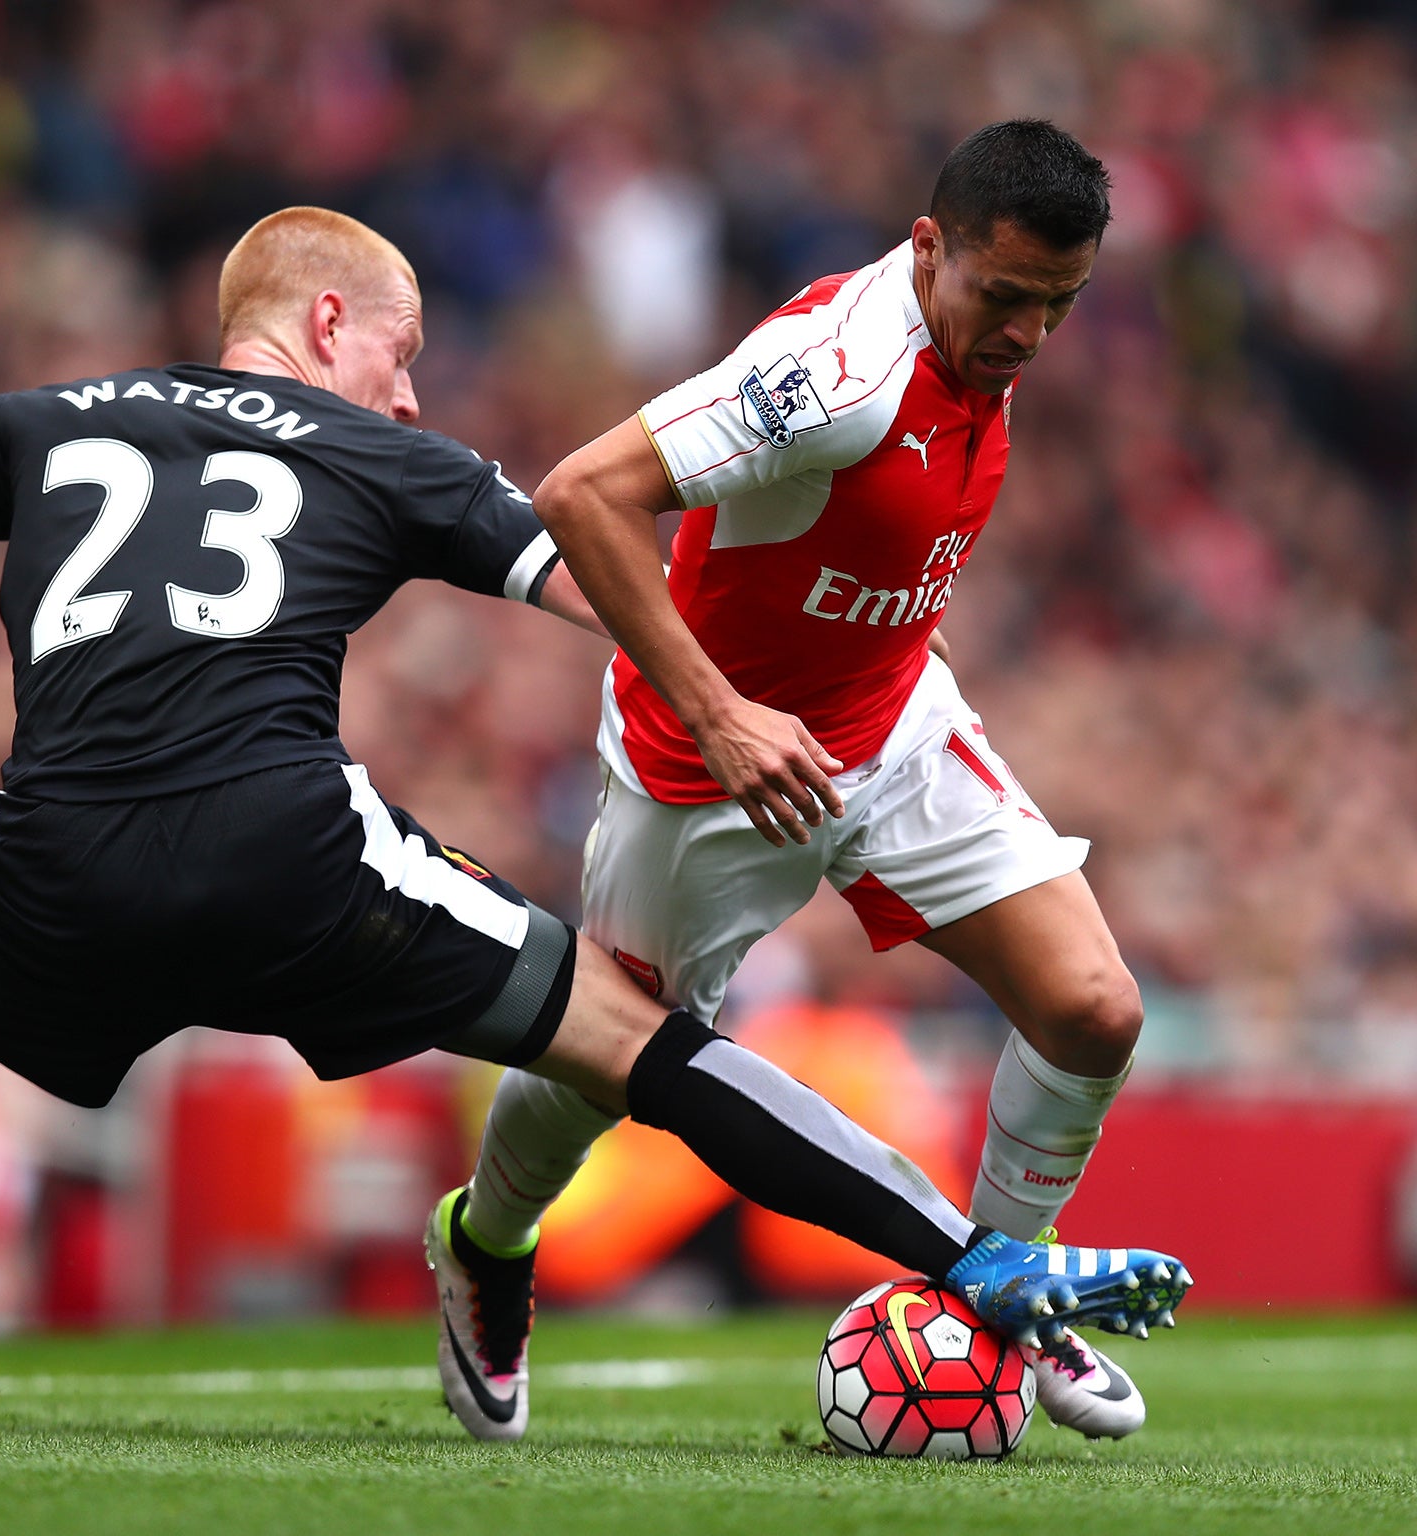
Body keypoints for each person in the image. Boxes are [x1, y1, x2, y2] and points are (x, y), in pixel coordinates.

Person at [0, 206, 1186, 1429]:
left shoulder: (46, 420)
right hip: (296, 859)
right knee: (630, 1035)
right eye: (410, 356)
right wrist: (732, 706)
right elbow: (603, 582)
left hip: (56, 862)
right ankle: (974, 1258)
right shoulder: (386, 458)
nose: (421, 397)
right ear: (332, 326)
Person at [431, 121, 1164, 1443]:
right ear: (930, 247)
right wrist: (718, 715)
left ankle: (995, 1292)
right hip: (707, 772)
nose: (1027, 337)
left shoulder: (987, 332)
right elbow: (582, 493)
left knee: (1095, 1009)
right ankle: (486, 1240)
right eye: (1004, 299)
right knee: (607, 1063)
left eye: (1058, 307)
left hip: (889, 727)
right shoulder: (830, 375)